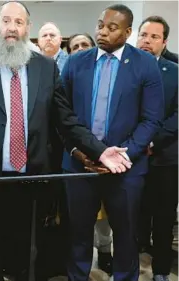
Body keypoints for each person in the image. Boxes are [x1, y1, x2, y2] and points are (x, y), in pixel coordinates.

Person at [0, 1, 132, 280]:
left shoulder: (46, 68)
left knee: (26, 255)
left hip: (33, 180)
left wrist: (99, 152)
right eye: (6, 21)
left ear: (28, 28)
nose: (12, 28)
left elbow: (66, 122)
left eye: (18, 22)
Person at [61, 4, 164, 281]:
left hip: (126, 169)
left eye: (112, 27)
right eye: (100, 25)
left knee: (126, 236)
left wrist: (120, 156)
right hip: (80, 165)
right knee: (79, 234)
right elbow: (62, 114)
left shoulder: (145, 65)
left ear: (128, 32)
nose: (102, 31)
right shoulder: (75, 62)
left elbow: (151, 120)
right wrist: (79, 151)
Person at [67, 32, 113, 275]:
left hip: (112, 158)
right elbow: (61, 119)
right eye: (75, 46)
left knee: (106, 219)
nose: (81, 49)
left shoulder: (109, 73)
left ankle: (105, 252)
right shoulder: (68, 77)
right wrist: (77, 151)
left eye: (86, 44)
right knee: (79, 224)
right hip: (76, 161)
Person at [136, 16, 178, 281]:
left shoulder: (175, 72)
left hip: (164, 157)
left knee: (162, 220)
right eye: (143, 35)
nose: (147, 41)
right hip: (131, 156)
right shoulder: (125, 68)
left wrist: (152, 142)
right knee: (132, 216)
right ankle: (129, 265)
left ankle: (161, 271)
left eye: (153, 37)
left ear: (164, 42)